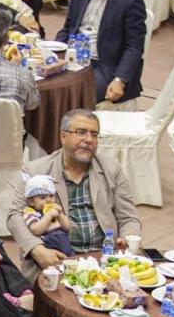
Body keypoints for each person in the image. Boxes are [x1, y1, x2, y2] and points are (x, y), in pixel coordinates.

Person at [9, 109, 141, 279]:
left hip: (105, 259)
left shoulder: (111, 168)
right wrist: (37, 249)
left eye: (94, 134)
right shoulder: (35, 170)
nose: (89, 139)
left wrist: (128, 238)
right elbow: (15, 216)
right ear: (63, 136)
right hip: (58, 258)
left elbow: (129, 217)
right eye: (81, 132)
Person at [56, 0, 146, 106]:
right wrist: (53, 51)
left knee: (74, 97)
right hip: (72, 56)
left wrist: (120, 80)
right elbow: (69, 26)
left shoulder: (130, 2)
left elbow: (134, 48)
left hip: (104, 66)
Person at [20, 174, 74, 257]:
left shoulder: (55, 210)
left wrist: (60, 214)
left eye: (51, 196)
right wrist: (48, 216)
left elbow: (67, 227)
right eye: (43, 197)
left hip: (64, 242)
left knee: (72, 259)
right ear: (31, 202)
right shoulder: (31, 213)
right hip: (49, 245)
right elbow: (36, 230)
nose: (49, 200)